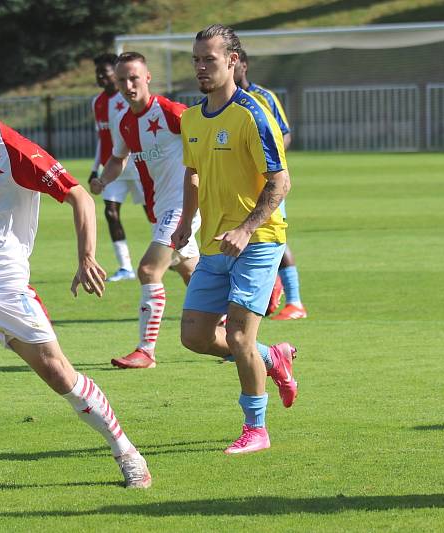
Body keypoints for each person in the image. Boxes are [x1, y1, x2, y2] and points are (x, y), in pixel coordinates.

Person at [0, 61, 152, 503]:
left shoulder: (13, 150)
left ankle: (127, 451)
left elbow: (79, 195)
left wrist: (87, 257)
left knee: (60, 374)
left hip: (5, 280)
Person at [173, 24, 299, 455]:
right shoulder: (191, 118)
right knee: (194, 336)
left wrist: (246, 230)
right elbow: (193, 175)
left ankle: (256, 428)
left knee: (241, 337)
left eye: (209, 59)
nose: (201, 68)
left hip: (258, 240)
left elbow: (280, 182)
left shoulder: (252, 113)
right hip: (212, 242)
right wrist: (184, 223)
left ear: (233, 61)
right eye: (196, 60)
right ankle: (273, 358)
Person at [91, 51, 201, 370]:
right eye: (122, 79)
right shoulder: (126, 122)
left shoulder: (170, 111)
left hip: (183, 205)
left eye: (134, 78)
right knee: (189, 270)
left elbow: (204, 141)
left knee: (149, 270)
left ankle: (146, 350)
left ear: (148, 78)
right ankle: (227, 329)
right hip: (160, 209)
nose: (127, 85)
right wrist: (102, 180)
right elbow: (117, 159)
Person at [234, 50, 307, 320]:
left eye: (236, 63)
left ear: (243, 65)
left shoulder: (263, 97)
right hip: (238, 184)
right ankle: (265, 291)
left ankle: (295, 301)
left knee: (274, 236)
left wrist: (266, 158)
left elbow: (284, 135)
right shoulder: (222, 100)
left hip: (267, 181)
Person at [87, 53, 147, 282]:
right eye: (98, 73)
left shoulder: (128, 100)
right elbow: (102, 137)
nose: (101, 76)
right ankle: (125, 267)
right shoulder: (97, 102)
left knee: (152, 213)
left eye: (105, 72)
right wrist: (95, 169)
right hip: (112, 168)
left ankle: (170, 253)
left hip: (136, 165)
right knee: (110, 212)